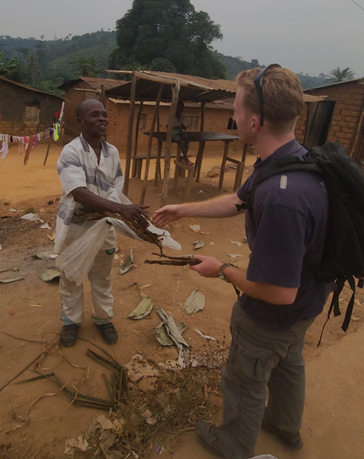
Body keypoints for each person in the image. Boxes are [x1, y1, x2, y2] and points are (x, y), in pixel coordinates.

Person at [153, 65, 332, 458]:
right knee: (288, 363)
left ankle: (232, 445)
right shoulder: (288, 160)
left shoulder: (282, 197)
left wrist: (222, 270)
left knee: (244, 379)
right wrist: (184, 209)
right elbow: (239, 200)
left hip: (275, 314)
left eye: (234, 108)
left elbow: (279, 293)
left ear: (254, 121)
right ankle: (285, 427)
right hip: (308, 304)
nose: (231, 116)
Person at [55, 99, 149, 347]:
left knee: (101, 277)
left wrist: (126, 215)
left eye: (104, 115)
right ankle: (71, 322)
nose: (102, 119)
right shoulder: (71, 152)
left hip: (104, 226)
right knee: (71, 276)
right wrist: (120, 209)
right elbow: (78, 192)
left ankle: (103, 319)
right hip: (76, 227)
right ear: (80, 122)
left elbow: (115, 190)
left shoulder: (113, 153)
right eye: (94, 115)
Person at [172, 101, 194, 166]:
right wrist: (179, 127)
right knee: (181, 141)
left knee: (186, 140)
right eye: (179, 108)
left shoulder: (181, 117)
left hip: (180, 132)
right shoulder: (172, 116)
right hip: (173, 133)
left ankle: (184, 158)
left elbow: (180, 124)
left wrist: (183, 126)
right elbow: (168, 126)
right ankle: (186, 159)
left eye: (182, 108)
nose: (181, 109)